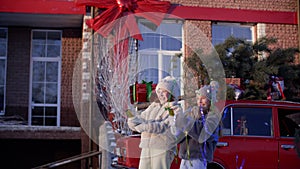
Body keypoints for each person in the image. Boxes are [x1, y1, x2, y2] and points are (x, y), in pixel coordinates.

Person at [127, 76, 181, 169]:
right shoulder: (154, 106)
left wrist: (143, 127)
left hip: (162, 148)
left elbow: (163, 126)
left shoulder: (175, 109)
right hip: (147, 145)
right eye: (158, 92)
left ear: (172, 93)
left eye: (164, 91)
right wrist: (133, 121)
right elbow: (142, 118)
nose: (160, 95)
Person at [174, 84, 221, 169]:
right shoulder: (191, 112)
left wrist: (184, 121)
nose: (199, 101)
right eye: (198, 98)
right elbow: (179, 133)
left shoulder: (213, 116)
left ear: (210, 100)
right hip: (185, 158)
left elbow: (202, 133)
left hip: (199, 157)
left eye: (203, 98)